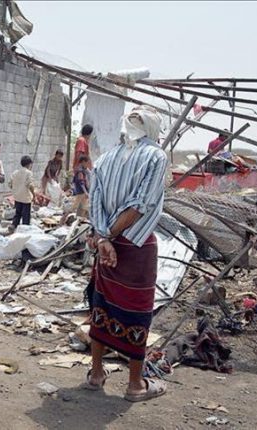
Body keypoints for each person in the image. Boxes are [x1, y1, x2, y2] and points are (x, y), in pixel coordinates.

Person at [84, 105, 169, 402]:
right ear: (153, 129)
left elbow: (94, 202)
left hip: (108, 245)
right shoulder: (156, 156)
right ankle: (135, 385)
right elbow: (139, 205)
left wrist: (102, 237)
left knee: (101, 305)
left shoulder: (105, 158)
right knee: (137, 310)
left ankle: (96, 374)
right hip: (136, 244)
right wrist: (108, 236)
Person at [9, 156, 39, 230]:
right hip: (26, 198)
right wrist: (34, 195)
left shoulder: (15, 173)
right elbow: (30, 185)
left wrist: (16, 190)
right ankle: (25, 230)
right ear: (29, 164)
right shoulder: (28, 173)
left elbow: (10, 184)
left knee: (18, 213)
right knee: (26, 216)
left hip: (17, 197)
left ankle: (14, 225)